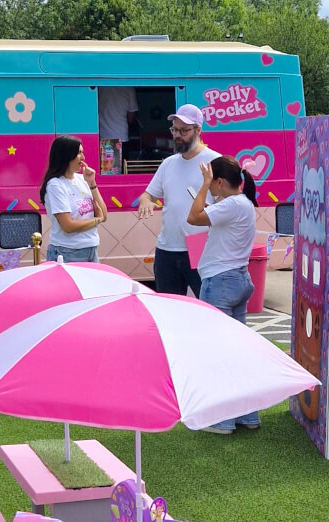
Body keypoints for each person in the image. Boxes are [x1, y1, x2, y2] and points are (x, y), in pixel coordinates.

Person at [187, 156, 259, 434]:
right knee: (237, 350)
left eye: (211, 180)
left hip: (220, 282)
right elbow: (210, 217)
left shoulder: (231, 204)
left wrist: (203, 186)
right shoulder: (241, 204)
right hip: (238, 278)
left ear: (218, 181)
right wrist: (208, 191)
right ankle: (247, 415)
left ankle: (222, 420)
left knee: (217, 351)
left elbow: (193, 218)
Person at [136, 104, 220, 296]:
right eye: (174, 129)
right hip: (167, 247)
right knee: (170, 307)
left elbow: (227, 204)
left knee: (207, 305)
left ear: (198, 130)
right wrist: (146, 201)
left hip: (201, 244)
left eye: (184, 130)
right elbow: (148, 194)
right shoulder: (168, 164)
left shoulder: (215, 161)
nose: (177, 135)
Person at [40, 135, 107, 262]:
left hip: (91, 248)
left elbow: (104, 214)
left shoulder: (82, 179)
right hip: (67, 251)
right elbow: (68, 226)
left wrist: (92, 183)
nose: (83, 158)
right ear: (66, 156)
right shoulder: (56, 185)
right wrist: (97, 220)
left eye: (82, 152)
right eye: (79, 153)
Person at [97, 87, 138, 175]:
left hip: (104, 137)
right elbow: (131, 118)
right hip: (122, 136)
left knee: (109, 174)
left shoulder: (101, 86)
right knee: (121, 175)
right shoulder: (129, 88)